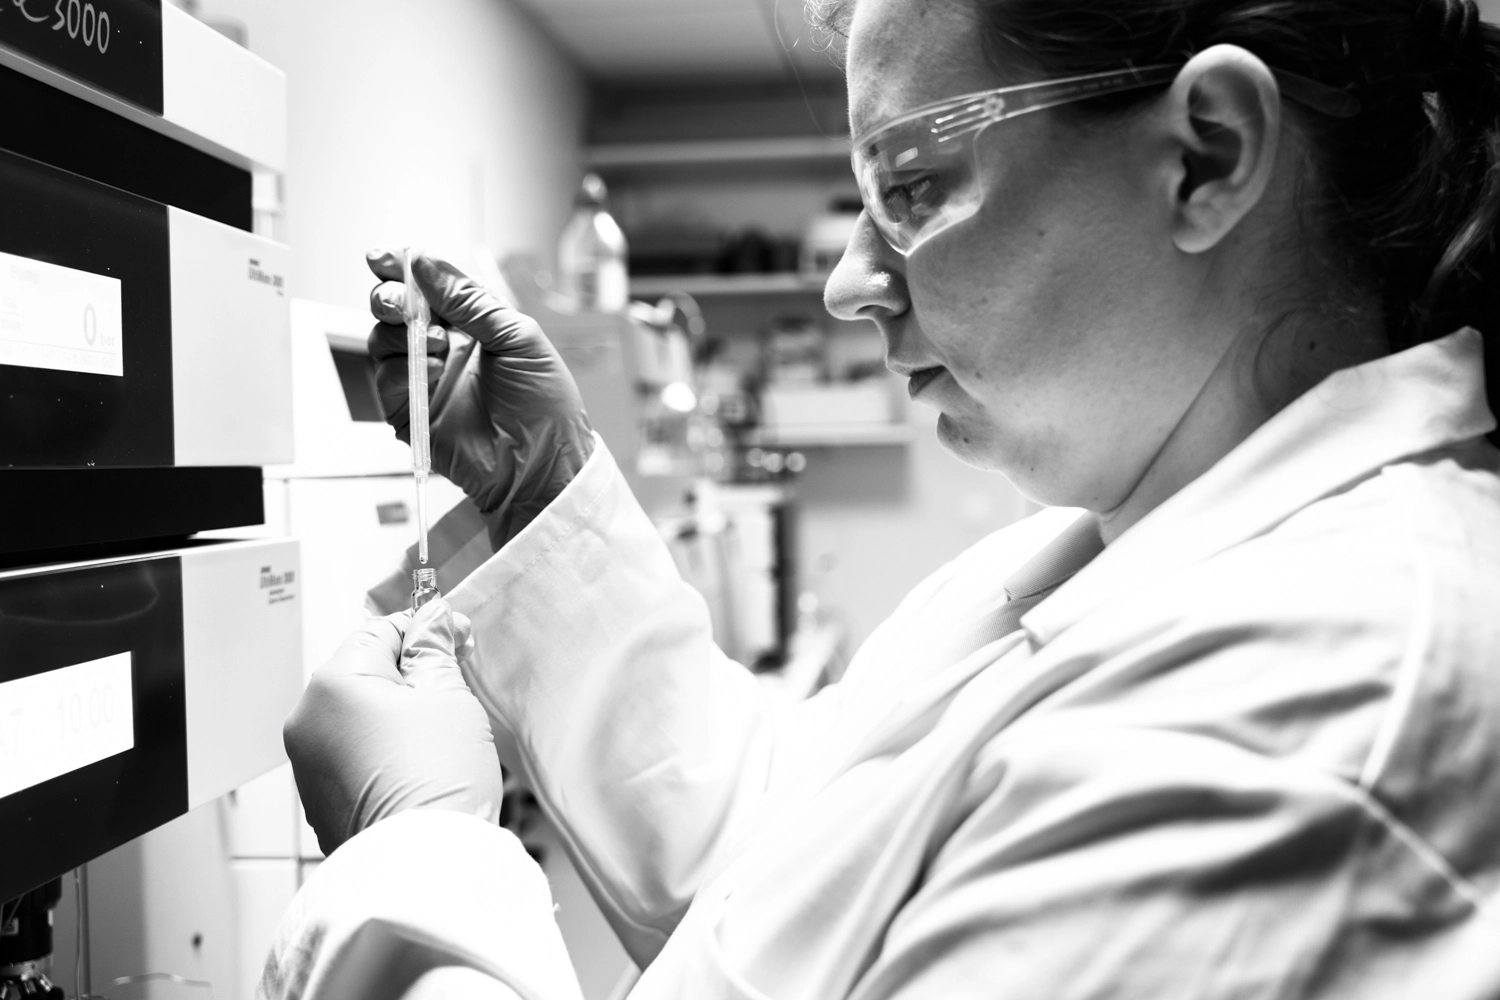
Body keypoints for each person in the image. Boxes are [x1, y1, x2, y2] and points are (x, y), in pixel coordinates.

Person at [273, 0, 1500, 997]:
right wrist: (544, 489)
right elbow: (781, 872)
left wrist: (409, 865)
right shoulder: (1101, 542)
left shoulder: (1302, 725)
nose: (849, 285)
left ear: (1206, 156)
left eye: (910, 186)